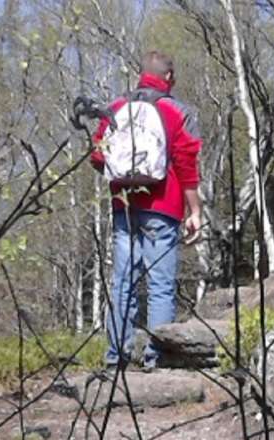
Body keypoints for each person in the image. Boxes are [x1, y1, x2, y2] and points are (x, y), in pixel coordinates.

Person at [91, 51, 202, 370]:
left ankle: (116, 359)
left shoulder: (115, 108)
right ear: (168, 78)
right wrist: (194, 210)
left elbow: (98, 157)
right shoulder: (177, 111)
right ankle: (156, 358)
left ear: (141, 75)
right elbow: (186, 164)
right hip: (163, 206)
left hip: (123, 206)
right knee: (160, 284)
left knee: (122, 281)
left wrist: (122, 181)